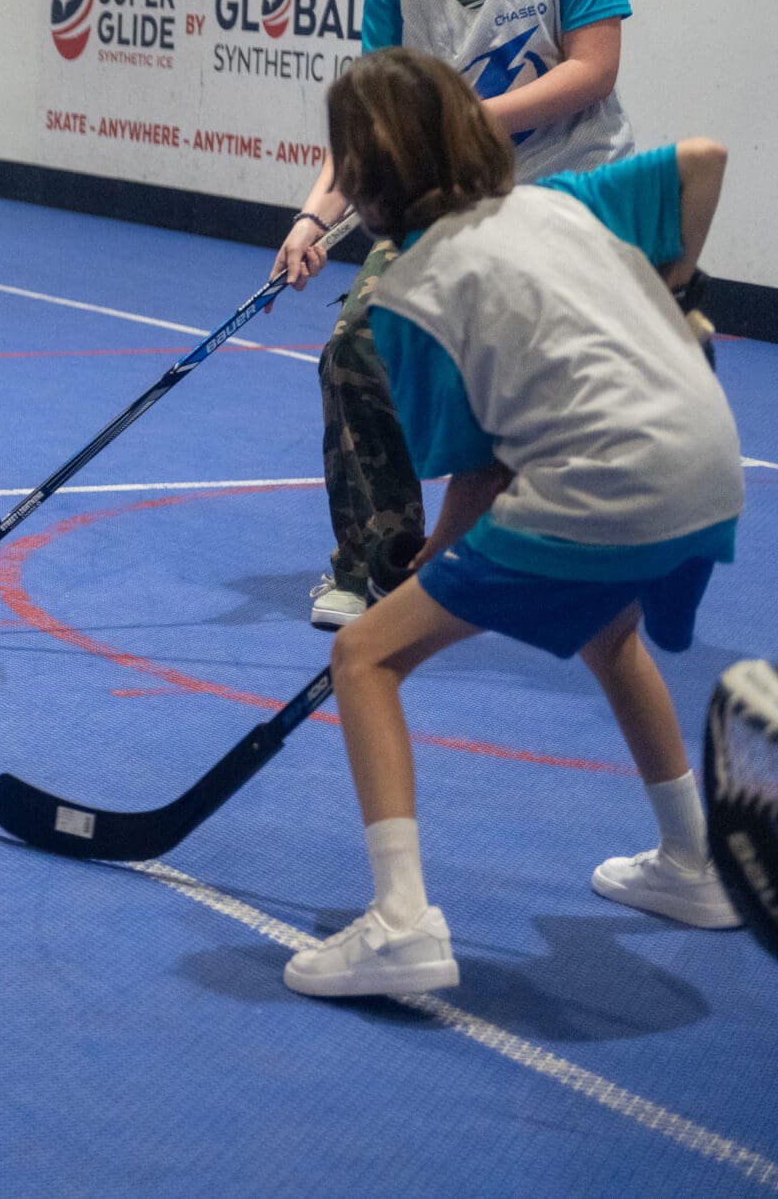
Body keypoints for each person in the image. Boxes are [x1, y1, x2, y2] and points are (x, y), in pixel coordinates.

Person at [281, 48, 743, 999]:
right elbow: (705, 156)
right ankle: (694, 864)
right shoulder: (562, 201)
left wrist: (421, 579)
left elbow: (482, 473)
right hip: (709, 464)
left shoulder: (406, 294)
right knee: (607, 629)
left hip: (604, 486)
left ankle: (400, 925)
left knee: (366, 655)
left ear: (365, 181)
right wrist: (678, 285)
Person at [273, 0, 636, 631]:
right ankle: (375, 567)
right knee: (357, 346)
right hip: (455, 198)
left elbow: (593, 70)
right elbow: (371, 118)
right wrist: (316, 214)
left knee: (514, 388)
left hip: (569, 187)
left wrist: (461, 117)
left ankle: (528, 553)